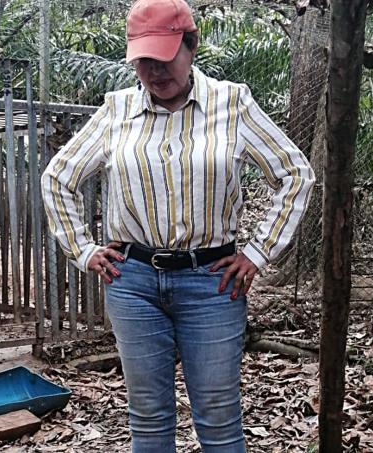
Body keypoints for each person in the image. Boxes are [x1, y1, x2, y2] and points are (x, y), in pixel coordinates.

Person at [41, 0, 315, 451]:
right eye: (143, 60)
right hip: (133, 283)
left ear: (191, 46)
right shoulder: (115, 110)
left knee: (219, 414)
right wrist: (83, 249)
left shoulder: (232, 103)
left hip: (212, 282)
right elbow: (58, 178)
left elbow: (296, 174)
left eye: (165, 57)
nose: (154, 70)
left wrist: (258, 252)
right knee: (148, 415)